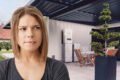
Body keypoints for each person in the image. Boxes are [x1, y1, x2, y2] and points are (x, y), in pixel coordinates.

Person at [0, 6, 70, 80]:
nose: (30, 34)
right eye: (23, 29)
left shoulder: (58, 69)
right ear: (15, 34)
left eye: (36, 27)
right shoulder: (2, 68)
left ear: (42, 32)